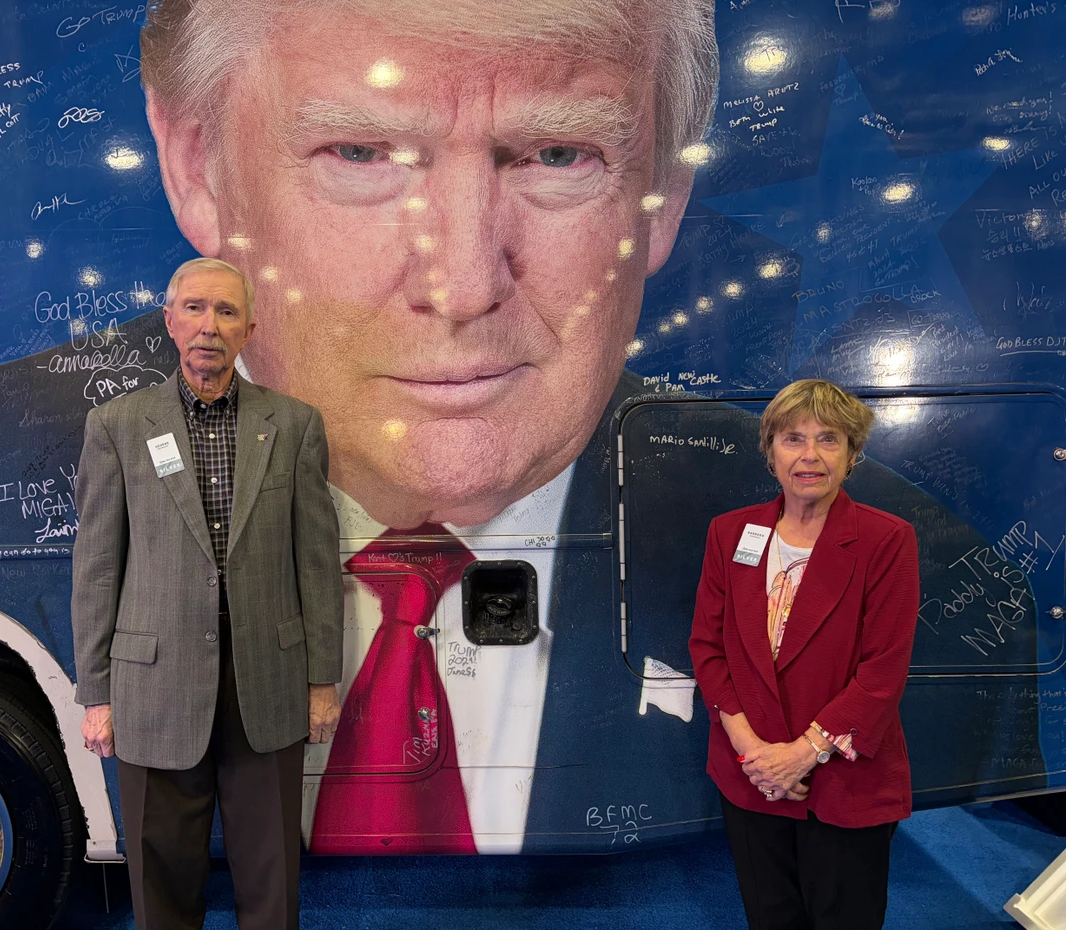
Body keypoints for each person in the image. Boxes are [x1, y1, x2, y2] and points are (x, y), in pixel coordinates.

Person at [139, 0, 723, 854]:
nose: (463, 284)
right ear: (200, 166)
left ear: (664, 192)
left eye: (558, 155)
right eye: (362, 153)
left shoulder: (899, 565)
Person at [71, 257, 344, 930]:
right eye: (194, 308)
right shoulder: (118, 426)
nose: (208, 327)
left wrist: (320, 682)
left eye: (226, 312)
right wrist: (97, 692)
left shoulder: (295, 425)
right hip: (152, 687)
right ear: (169, 321)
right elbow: (98, 565)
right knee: (161, 878)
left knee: (271, 877)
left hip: (267, 683)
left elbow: (315, 563)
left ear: (249, 329)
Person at [688, 379, 920, 930]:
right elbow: (708, 646)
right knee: (771, 919)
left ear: (852, 454)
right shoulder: (730, 534)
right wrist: (752, 753)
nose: (809, 456)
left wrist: (802, 754)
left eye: (829, 439)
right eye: (793, 439)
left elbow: (882, 673)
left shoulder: (886, 540)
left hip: (842, 778)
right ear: (770, 453)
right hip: (752, 774)